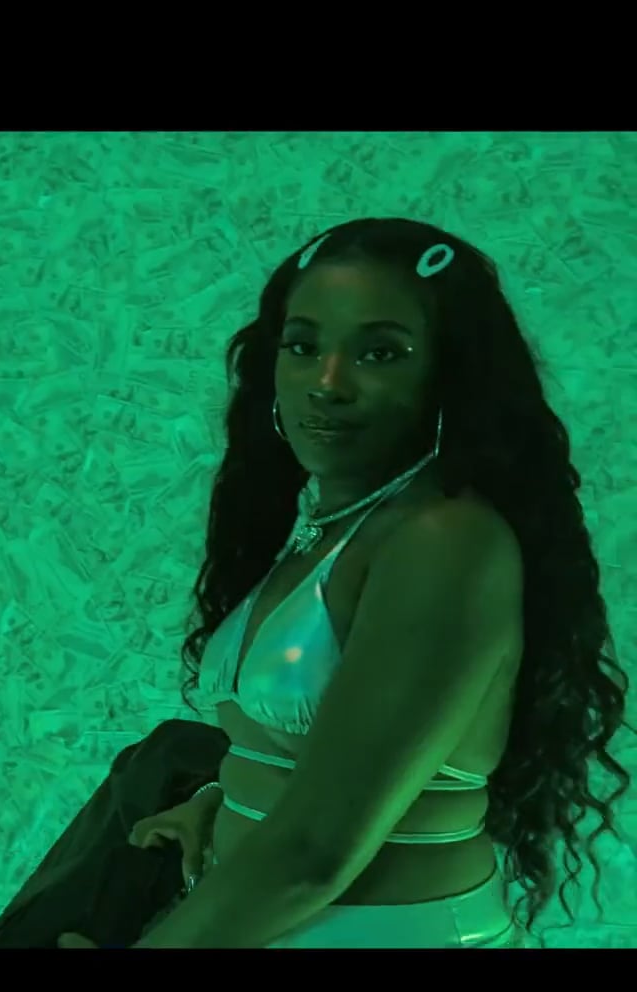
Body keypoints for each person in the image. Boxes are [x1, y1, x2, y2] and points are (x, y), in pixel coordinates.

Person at [76, 217, 629, 948]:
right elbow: (314, 767)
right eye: (303, 346)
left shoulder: (444, 541)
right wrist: (225, 805)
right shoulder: (337, 529)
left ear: (449, 373)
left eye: (380, 353)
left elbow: (315, 853)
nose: (328, 383)